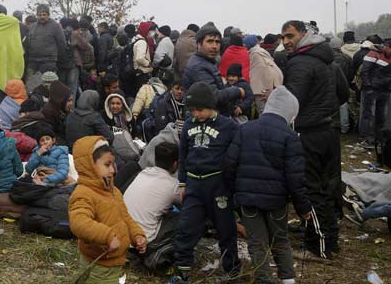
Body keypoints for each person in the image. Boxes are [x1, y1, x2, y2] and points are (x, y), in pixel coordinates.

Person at [223, 86, 312, 284]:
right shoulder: (290, 137)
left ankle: (264, 280)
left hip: (248, 200)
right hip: (277, 201)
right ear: (290, 113)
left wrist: (235, 194)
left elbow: (229, 165)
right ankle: (288, 280)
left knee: (257, 244)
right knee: (280, 240)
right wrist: (303, 208)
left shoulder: (245, 129)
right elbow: (295, 178)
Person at [281, 20, 347, 259]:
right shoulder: (327, 59)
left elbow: (292, 102)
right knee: (327, 187)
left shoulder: (300, 62)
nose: (286, 42)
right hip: (328, 130)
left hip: (308, 133)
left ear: (303, 35)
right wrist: (324, 111)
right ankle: (330, 239)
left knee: (310, 189)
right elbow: (344, 94)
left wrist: (278, 98)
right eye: (283, 38)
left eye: (290, 36)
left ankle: (319, 247)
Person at [169, 82, 240, 283]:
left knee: (226, 230)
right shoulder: (189, 125)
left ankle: (232, 270)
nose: (196, 114)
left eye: (200, 109)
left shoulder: (228, 126)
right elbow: (183, 155)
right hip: (194, 185)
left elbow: (236, 156)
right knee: (186, 228)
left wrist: (231, 184)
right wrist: (182, 183)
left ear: (211, 106)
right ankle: (182, 270)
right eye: (193, 110)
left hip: (217, 184)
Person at [69, 136, 147, 283]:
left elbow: (125, 217)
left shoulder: (113, 191)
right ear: (90, 166)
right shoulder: (83, 193)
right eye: (107, 165)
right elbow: (78, 222)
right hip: (100, 264)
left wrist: (136, 235)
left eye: (113, 164)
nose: (112, 170)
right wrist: (107, 236)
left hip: (114, 261)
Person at [124, 143, 181, 269]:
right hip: (143, 241)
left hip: (123, 237)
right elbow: (191, 205)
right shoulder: (173, 186)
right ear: (176, 164)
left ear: (155, 160)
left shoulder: (143, 172)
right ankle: (157, 254)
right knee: (190, 218)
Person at [183, 25, 244, 116]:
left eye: (217, 42)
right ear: (199, 44)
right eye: (210, 41)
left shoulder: (207, 61)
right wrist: (238, 91)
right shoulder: (198, 66)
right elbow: (213, 96)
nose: (215, 46)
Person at [359, 38, 391, 145]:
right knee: (369, 115)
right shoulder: (373, 54)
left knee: (381, 116)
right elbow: (364, 71)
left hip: (385, 90)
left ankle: (379, 138)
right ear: (386, 47)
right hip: (372, 90)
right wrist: (368, 87)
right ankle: (366, 138)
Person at [24, 4, 67, 82]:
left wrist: (59, 61)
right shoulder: (32, 27)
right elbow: (27, 43)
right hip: (33, 61)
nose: (42, 17)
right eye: (40, 15)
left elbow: (62, 44)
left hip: (49, 61)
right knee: (30, 85)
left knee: (48, 85)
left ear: (48, 15)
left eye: (44, 14)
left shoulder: (55, 26)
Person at [244, 34, 283, 115]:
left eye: (245, 44)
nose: (244, 46)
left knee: (264, 113)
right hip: (270, 88)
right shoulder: (262, 52)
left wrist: (264, 89)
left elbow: (259, 73)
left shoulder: (255, 54)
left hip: (262, 90)